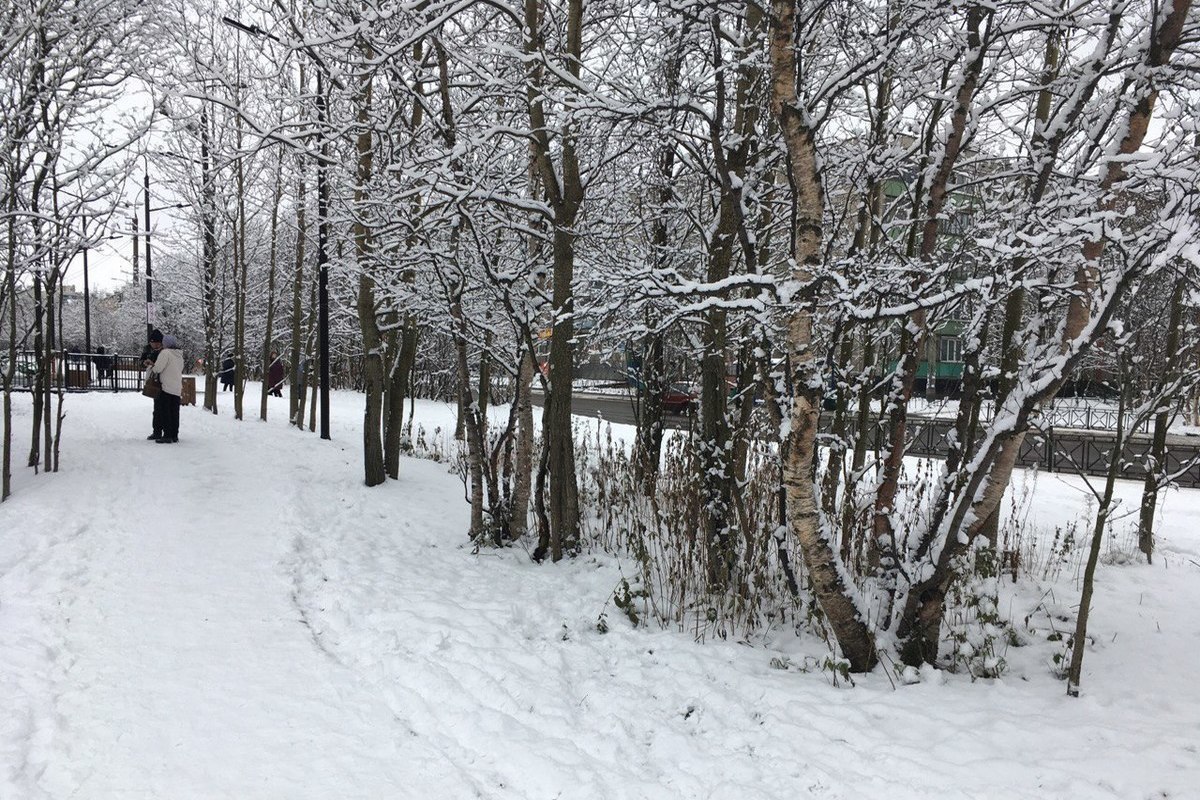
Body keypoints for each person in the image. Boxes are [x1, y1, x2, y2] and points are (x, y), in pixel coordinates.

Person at [150, 333, 185, 444]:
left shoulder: (165, 353)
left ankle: (167, 435)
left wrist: (151, 365)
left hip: (166, 387)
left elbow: (158, 369)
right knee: (175, 412)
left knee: (165, 412)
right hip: (177, 387)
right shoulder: (179, 355)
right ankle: (174, 435)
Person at [143, 331, 164, 440]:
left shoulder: (165, 352)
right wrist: (145, 362)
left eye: (157, 342)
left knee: (161, 408)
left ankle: (162, 431)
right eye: (153, 342)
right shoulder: (148, 350)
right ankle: (157, 431)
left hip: (164, 382)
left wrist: (153, 364)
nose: (155, 344)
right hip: (154, 382)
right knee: (157, 409)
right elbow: (141, 360)